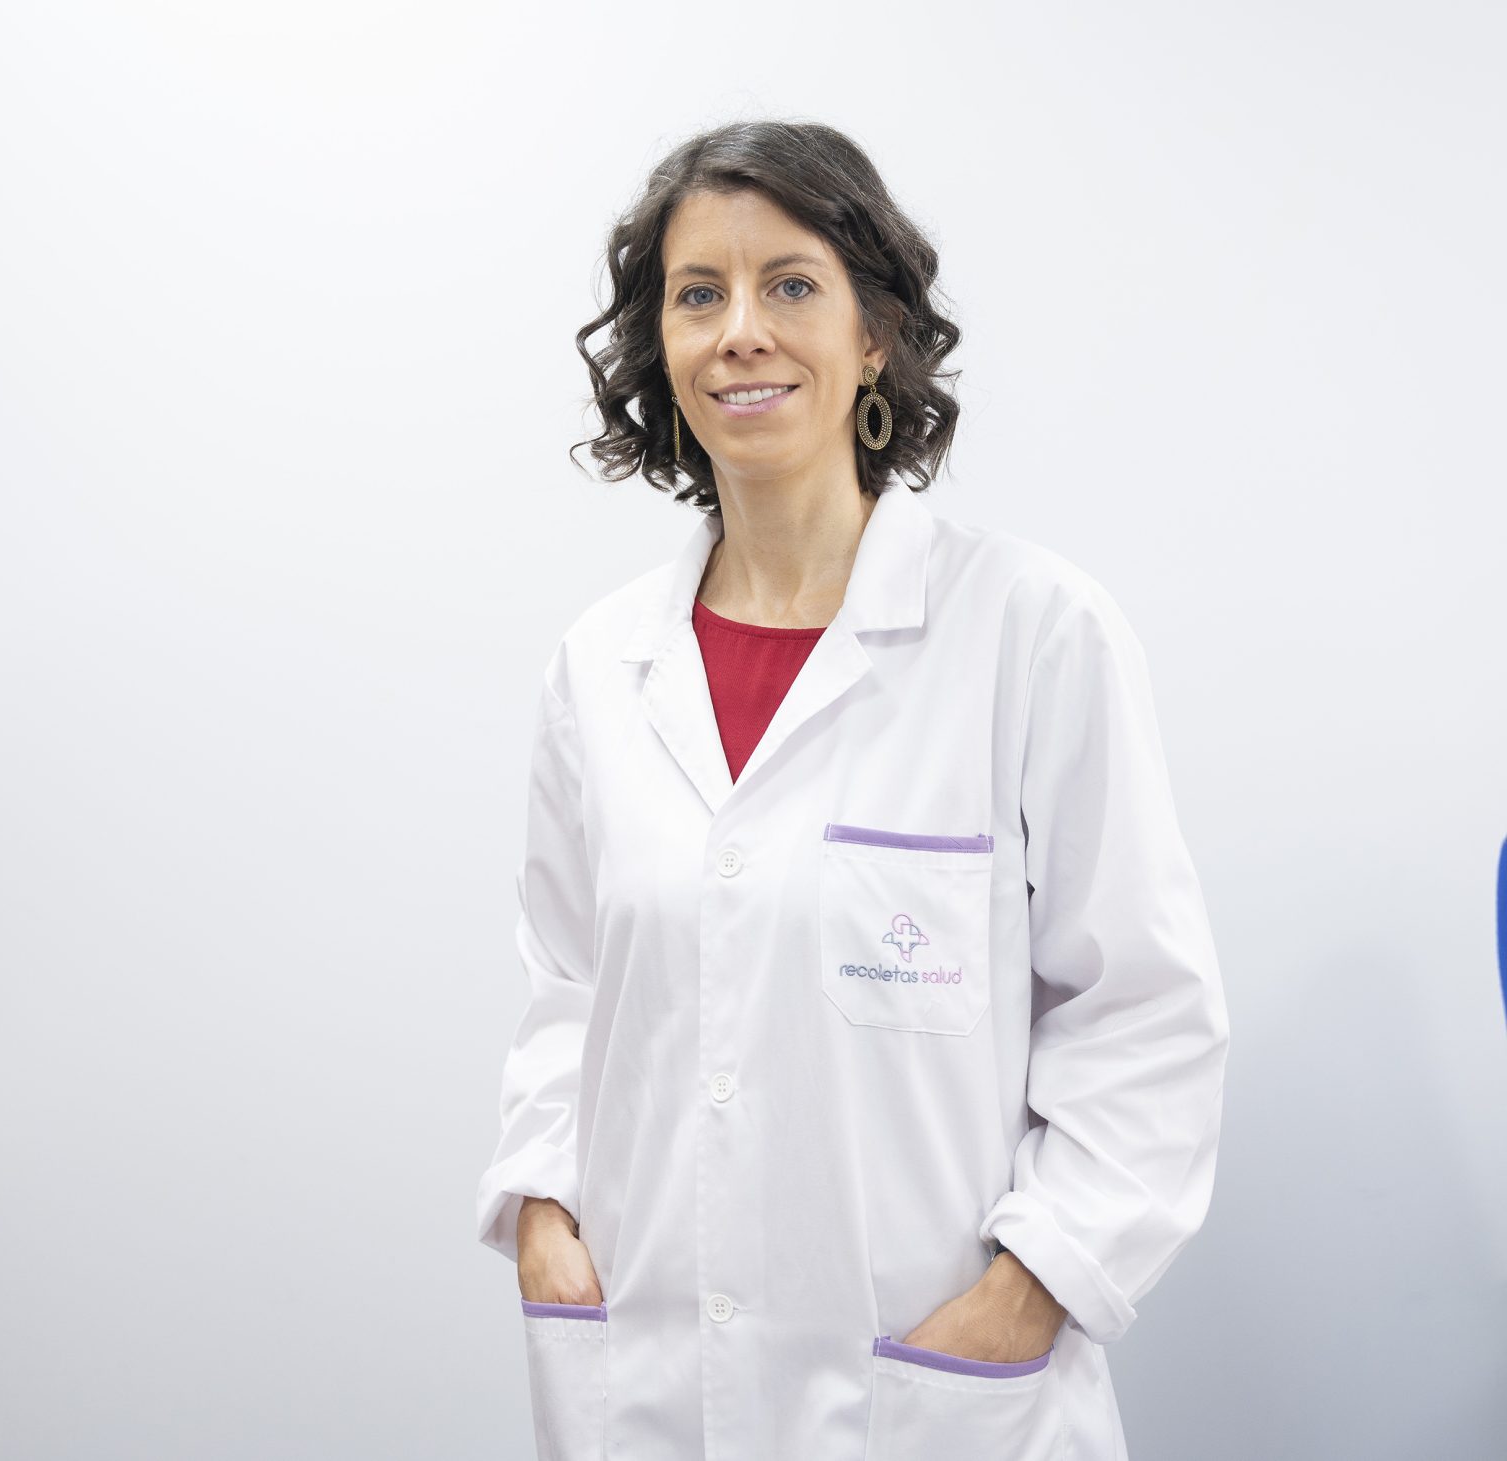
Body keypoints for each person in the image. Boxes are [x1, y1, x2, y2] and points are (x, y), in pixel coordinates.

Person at [477, 119, 1230, 1461]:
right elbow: (568, 991)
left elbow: (1144, 1016)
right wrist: (543, 1211)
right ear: (660, 345)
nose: (740, 333)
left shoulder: (1030, 633)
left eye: (790, 284)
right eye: (698, 294)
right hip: (648, 1382)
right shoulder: (600, 667)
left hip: (933, 1391)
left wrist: (1029, 1289)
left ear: (875, 333)